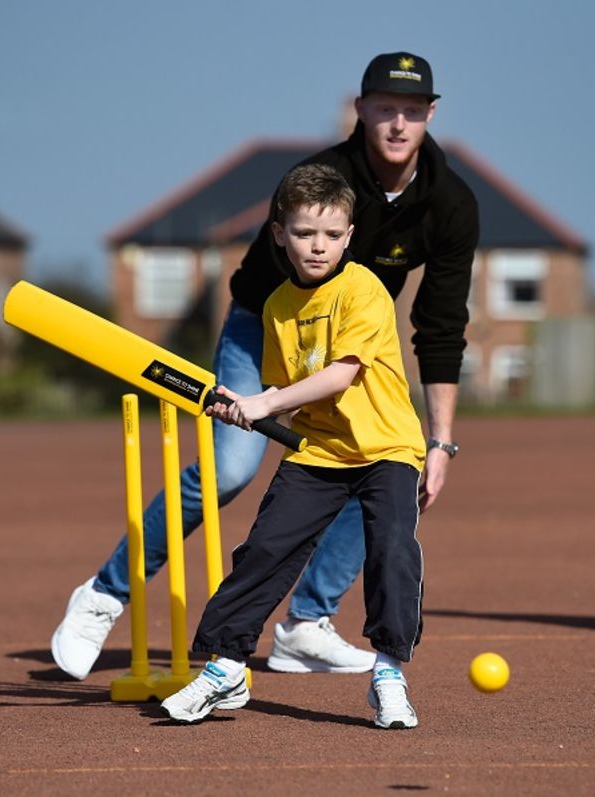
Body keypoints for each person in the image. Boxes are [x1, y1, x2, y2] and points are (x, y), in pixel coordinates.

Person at [51, 51, 477, 680]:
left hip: (352, 345)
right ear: (360, 110)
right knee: (230, 468)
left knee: (387, 461)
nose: (397, 124)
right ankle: (105, 593)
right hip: (268, 326)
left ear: (430, 115)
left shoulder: (451, 202)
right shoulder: (319, 178)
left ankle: (306, 624)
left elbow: (441, 326)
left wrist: (439, 441)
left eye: (411, 112)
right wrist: (279, 397)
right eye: (385, 108)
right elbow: (287, 290)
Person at [161, 163, 426, 728]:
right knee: (263, 549)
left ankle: (388, 675)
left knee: (392, 552)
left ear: (350, 236)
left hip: (387, 447)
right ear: (279, 232)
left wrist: (262, 403)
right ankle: (225, 666)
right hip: (318, 449)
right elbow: (293, 391)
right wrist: (245, 406)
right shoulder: (279, 305)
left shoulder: (364, 290)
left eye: (332, 235)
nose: (318, 246)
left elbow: (339, 374)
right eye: (305, 233)